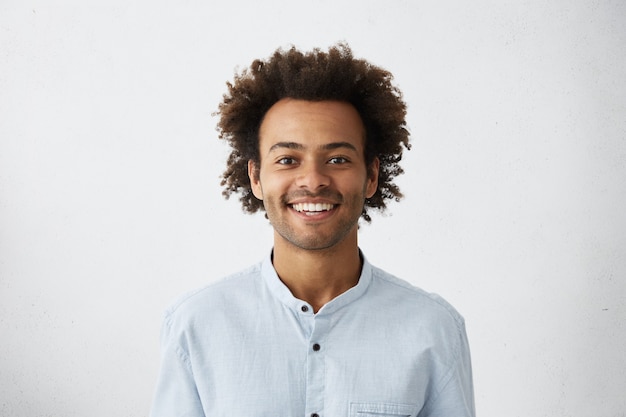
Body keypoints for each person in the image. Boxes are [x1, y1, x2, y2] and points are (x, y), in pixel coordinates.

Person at [150, 43, 475, 417]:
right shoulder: (195, 325)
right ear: (256, 177)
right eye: (287, 159)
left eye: (337, 159)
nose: (314, 180)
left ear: (371, 175)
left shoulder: (433, 329)